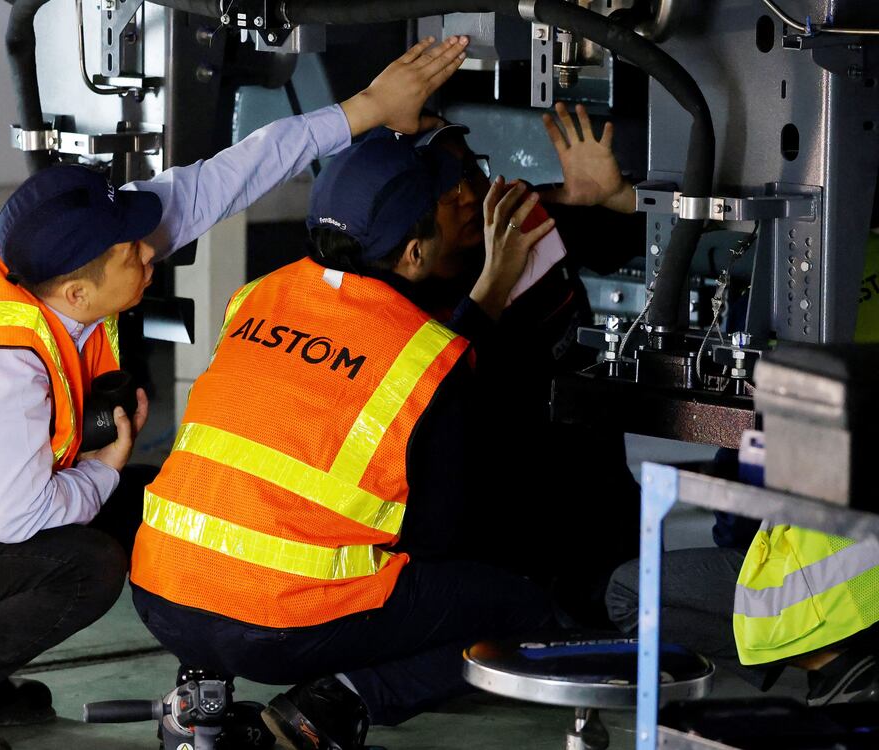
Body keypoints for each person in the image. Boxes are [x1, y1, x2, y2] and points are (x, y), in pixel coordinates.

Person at [0, 35, 470, 750]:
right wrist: (103, 469)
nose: (151, 249)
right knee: (86, 566)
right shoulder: (5, 369)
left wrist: (366, 109)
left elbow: (232, 174)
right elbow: (13, 518)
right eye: (133, 253)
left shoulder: (54, 261)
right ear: (76, 291)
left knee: (145, 511)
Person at [130, 132, 560, 750]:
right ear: (413, 254)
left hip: (163, 594)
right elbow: (434, 543)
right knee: (525, 615)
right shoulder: (429, 360)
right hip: (279, 628)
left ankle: (202, 701)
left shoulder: (256, 296)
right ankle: (332, 705)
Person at [606, 178, 879, 704]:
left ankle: (833, 659)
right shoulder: (829, 280)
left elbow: (746, 465)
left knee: (627, 591)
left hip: (846, 584)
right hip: (854, 550)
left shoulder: (788, 300)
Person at [408, 104, 647, 625]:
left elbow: (631, 239)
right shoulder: (398, 302)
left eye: (471, 171)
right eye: (445, 187)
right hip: (498, 548)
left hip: (602, 511)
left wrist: (614, 199)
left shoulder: (525, 220)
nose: (469, 194)